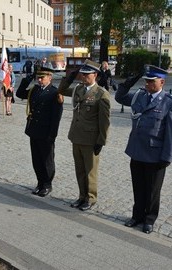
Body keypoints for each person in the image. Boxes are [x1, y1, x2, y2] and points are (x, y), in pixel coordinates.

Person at [115, 65, 172, 234]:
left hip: (155, 155)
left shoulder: (170, 102)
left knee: (152, 190)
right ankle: (137, 216)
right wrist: (128, 82)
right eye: (146, 81)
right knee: (138, 186)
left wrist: (167, 157)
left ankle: (149, 219)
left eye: (151, 81)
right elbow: (120, 97)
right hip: (137, 151)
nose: (147, 84)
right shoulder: (139, 96)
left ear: (162, 82)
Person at [57, 59, 111, 211]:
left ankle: (91, 198)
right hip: (76, 136)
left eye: (87, 74)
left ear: (95, 75)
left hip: (91, 140)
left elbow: (105, 121)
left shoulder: (101, 94)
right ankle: (82, 196)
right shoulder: (78, 89)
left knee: (90, 171)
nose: (83, 77)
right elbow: (60, 90)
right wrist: (69, 77)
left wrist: (101, 141)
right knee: (79, 169)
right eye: (82, 74)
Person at [16, 67, 63, 197]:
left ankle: (47, 184)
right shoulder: (34, 90)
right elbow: (19, 94)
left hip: (46, 132)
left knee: (47, 160)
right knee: (36, 159)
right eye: (38, 78)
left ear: (50, 77)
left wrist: (52, 135)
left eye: (42, 77)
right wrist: (27, 79)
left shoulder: (54, 93)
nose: (40, 80)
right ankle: (40, 182)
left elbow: (56, 117)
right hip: (34, 130)